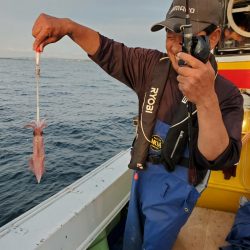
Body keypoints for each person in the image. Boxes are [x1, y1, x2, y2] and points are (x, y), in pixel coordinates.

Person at [32, 0, 244, 249]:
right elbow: (109, 51)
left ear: (215, 36)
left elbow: (219, 158)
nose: (176, 46)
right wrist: (68, 27)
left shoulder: (228, 94)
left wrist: (207, 98)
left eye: (186, 35)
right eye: (169, 33)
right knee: (132, 239)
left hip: (178, 187)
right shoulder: (152, 65)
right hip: (141, 176)